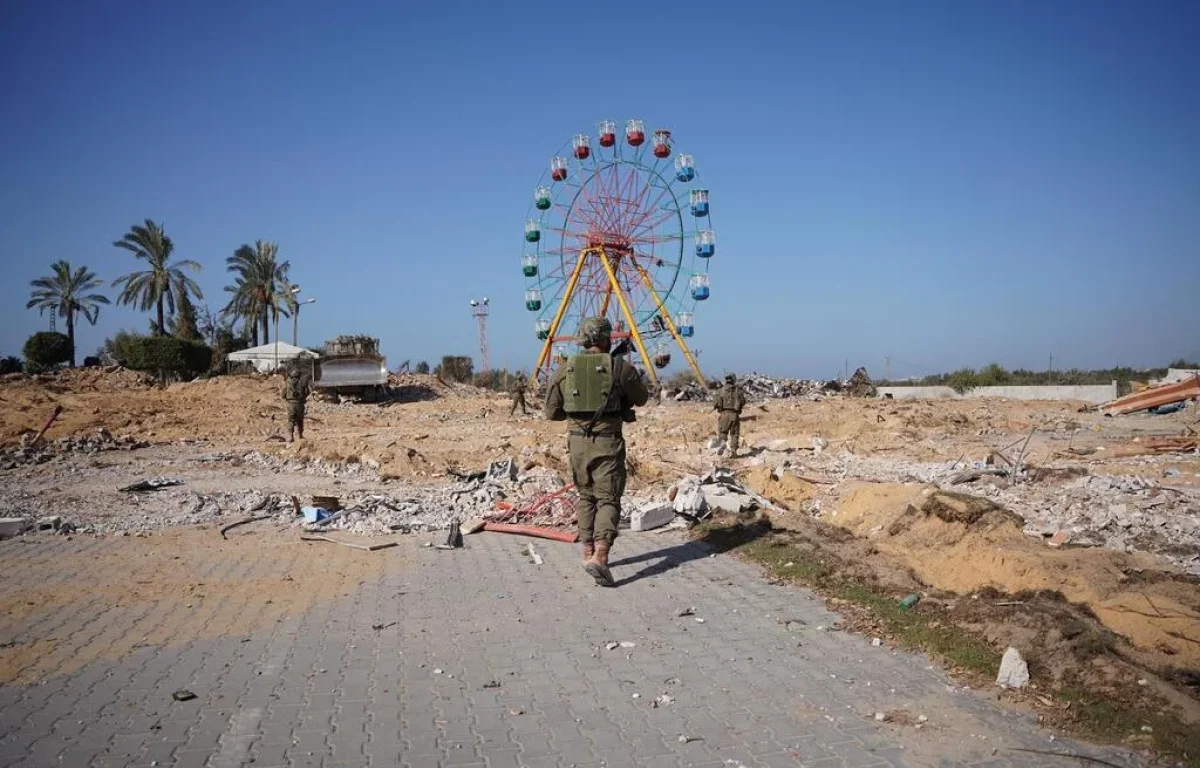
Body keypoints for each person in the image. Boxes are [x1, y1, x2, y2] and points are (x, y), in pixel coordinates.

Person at [544, 317, 649, 587]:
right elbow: (642, 398)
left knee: (586, 497)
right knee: (609, 499)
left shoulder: (565, 369)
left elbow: (551, 412)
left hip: (577, 445)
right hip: (607, 442)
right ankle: (601, 557)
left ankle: (587, 552)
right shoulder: (619, 368)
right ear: (607, 339)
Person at [713, 373, 745, 456]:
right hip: (735, 415)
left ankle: (722, 447)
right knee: (734, 434)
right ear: (734, 379)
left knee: (723, 433)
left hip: (724, 415)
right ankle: (733, 450)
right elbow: (743, 402)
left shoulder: (720, 391)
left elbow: (715, 403)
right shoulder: (738, 391)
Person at [281, 366, 311, 442]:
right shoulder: (302, 382)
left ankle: (290, 436)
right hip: (300, 404)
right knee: (300, 420)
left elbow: (283, 395)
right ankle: (300, 435)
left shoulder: (288, 383)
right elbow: (307, 392)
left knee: (291, 420)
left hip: (290, 404)